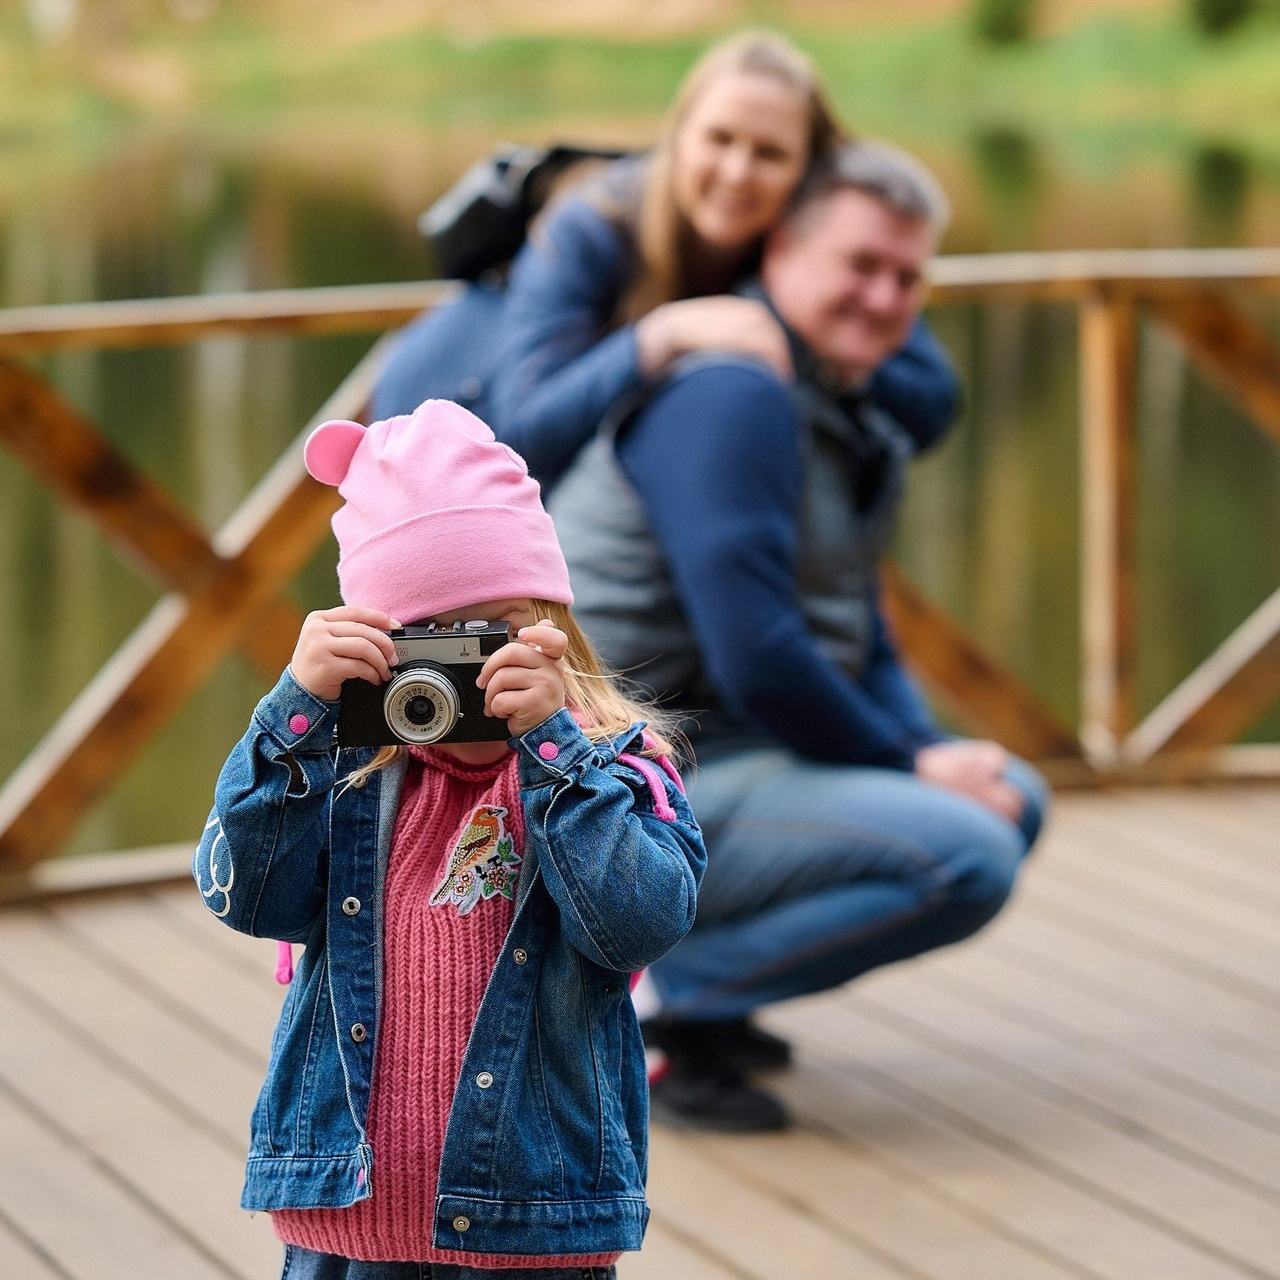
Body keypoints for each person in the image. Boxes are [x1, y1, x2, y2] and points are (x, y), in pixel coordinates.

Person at [548, 141, 1049, 1133]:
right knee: (968, 852)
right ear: (780, 248)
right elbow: (756, 651)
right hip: (609, 777)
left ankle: (697, 1010)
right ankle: (633, 996)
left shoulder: (841, 402)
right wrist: (908, 759)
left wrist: (931, 751)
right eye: (859, 265)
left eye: (907, 277)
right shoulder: (729, 393)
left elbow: (861, 629)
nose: (882, 296)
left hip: (721, 747)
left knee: (1006, 793)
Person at [192, 399, 706, 1277]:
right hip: (345, 1221)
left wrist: (554, 750)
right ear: (374, 642)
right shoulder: (349, 772)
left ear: (552, 620)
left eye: (492, 631)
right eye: (426, 639)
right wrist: (294, 717)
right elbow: (244, 893)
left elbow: (640, 922)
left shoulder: (615, 766)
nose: (464, 669)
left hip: (533, 1227)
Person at [373, 30, 960, 489]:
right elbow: (521, 431)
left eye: (770, 153)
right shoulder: (591, 222)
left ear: (809, 172)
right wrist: (663, 335)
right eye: (719, 139)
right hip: (432, 440)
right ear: (678, 137)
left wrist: (810, 330)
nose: (736, 171)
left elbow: (931, 403)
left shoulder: (810, 249)